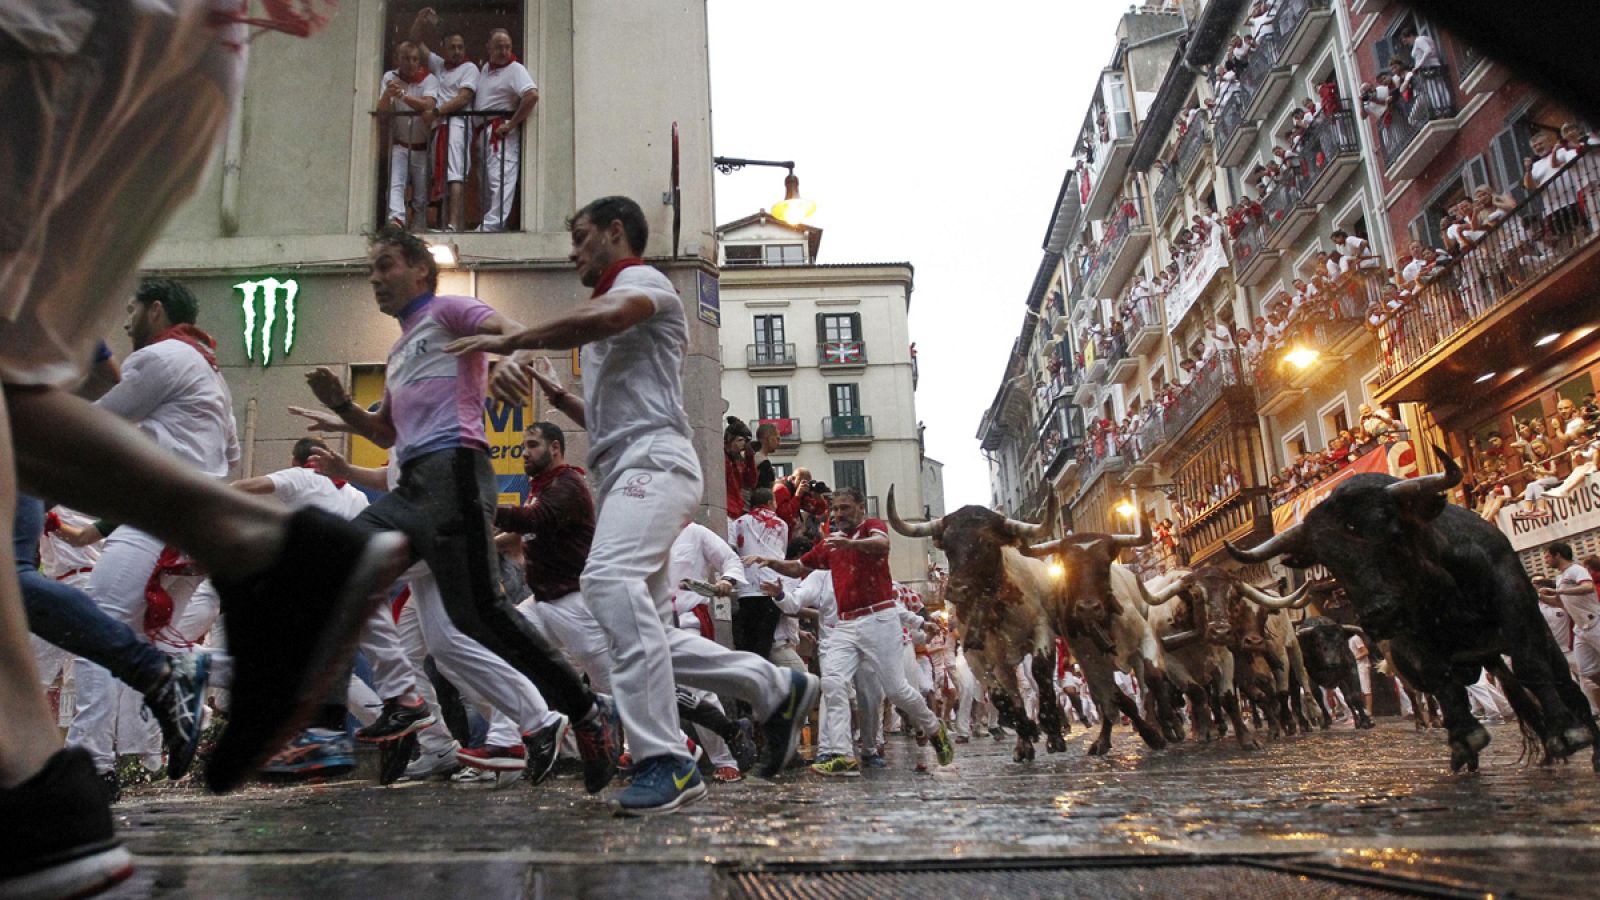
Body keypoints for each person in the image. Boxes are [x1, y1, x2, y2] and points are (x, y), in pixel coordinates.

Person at [0, 7, 418, 896]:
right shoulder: (200, 369)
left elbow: (109, 396)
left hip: (50, 29)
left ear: (157, 311)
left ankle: (42, 769)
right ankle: (39, 797)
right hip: (189, 46)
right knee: (12, 391)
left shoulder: (166, 360)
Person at [445, 195, 819, 815]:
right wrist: (560, 397)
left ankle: (665, 760)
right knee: (645, 635)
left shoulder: (644, 283)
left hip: (655, 466)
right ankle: (774, 687)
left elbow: (613, 315)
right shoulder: (605, 320)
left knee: (606, 584)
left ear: (616, 233)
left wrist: (518, 336)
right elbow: (616, 413)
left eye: (582, 236)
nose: (573, 252)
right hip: (630, 470)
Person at [292, 224, 622, 796]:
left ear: (421, 270)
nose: (376, 278)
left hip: (456, 475)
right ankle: (404, 702)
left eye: (387, 265)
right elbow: (385, 430)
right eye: (371, 270)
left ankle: (585, 713)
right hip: (410, 487)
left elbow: (508, 329)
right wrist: (342, 404)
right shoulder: (397, 352)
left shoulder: (451, 311)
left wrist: (508, 359)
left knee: (481, 617)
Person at [746, 487, 954, 777]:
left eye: (844, 508)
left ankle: (933, 727)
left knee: (896, 690)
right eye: (835, 509)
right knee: (833, 683)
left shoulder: (872, 528)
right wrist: (772, 562)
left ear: (860, 508)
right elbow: (798, 566)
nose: (838, 514)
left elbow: (881, 544)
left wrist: (851, 546)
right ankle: (843, 755)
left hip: (879, 618)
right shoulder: (830, 545)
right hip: (844, 625)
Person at [474, 28, 539, 232]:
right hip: (483, 132)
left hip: (500, 132)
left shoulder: (516, 69)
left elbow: (531, 96)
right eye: (499, 47)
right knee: (485, 181)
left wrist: (511, 124)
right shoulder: (485, 69)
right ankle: (488, 222)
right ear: (489, 48)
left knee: (500, 179)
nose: (504, 51)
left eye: (507, 47)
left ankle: (493, 225)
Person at [378, 41, 440, 229]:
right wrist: (388, 95)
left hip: (422, 145)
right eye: (406, 58)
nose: (411, 63)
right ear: (398, 59)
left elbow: (428, 105)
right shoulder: (390, 77)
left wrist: (403, 95)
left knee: (421, 192)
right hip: (399, 143)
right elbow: (382, 111)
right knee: (396, 184)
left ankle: (419, 223)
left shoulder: (429, 79)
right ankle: (396, 220)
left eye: (415, 59)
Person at [729, 487, 789, 662]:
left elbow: (732, 548)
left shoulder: (739, 522)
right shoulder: (781, 524)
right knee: (764, 643)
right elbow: (781, 554)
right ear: (770, 502)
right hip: (771, 588)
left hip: (746, 588)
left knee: (746, 642)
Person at [1540, 542, 1600, 699]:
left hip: (1595, 622)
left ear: (1557, 555)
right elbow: (1560, 602)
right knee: (1587, 671)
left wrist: (1559, 590)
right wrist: (1540, 597)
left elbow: (1588, 587)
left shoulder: (1576, 570)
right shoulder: (1560, 577)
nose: (1546, 560)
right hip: (1580, 629)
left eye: (1547, 556)